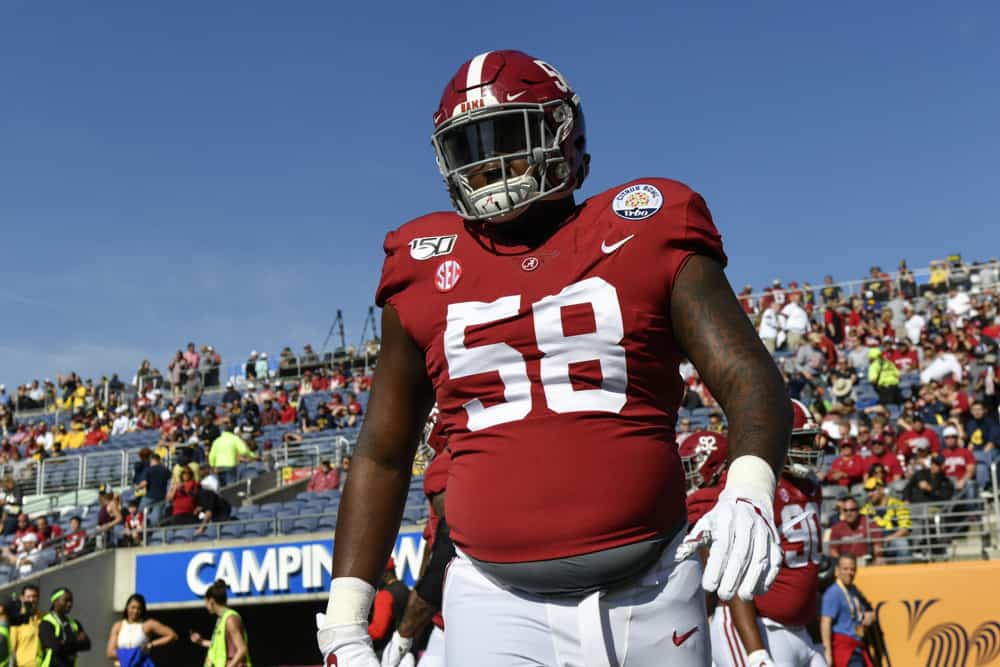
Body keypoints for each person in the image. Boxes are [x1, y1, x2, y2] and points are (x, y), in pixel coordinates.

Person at [318, 50, 791, 667]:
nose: (488, 164)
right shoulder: (421, 263)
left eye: (506, 137)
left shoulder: (646, 222)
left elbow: (746, 373)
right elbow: (383, 452)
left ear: (563, 136)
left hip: (654, 584)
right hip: (494, 601)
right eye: (470, 147)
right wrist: (346, 622)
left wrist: (751, 486)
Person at [691, 401, 827, 666]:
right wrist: (756, 653)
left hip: (800, 632)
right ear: (775, 441)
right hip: (759, 628)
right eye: (801, 441)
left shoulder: (811, 487)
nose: (810, 449)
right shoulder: (754, 489)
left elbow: (807, 576)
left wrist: (816, 638)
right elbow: (736, 577)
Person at [821, 555, 875, 666]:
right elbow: (825, 622)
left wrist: (870, 616)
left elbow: (866, 610)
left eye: (853, 569)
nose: (850, 573)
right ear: (837, 570)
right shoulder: (833, 592)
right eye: (845, 569)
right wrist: (827, 653)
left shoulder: (853, 589)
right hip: (844, 649)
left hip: (857, 646)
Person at [106, 593, 177, 667]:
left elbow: (172, 635)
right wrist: (136, 653)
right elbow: (110, 653)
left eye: (139, 608)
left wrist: (151, 644)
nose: (135, 611)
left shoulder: (147, 624)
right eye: (133, 607)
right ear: (127, 607)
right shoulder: (118, 626)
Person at [189, 580, 249, 667]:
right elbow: (218, 646)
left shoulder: (230, 619)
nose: (205, 606)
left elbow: (242, 649)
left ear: (212, 601)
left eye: (206, 602)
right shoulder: (221, 620)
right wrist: (201, 641)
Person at [860, 478, 911, 563]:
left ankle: (903, 574)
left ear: (881, 489)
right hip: (873, 543)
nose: (869, 494)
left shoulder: (897, 504)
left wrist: (885, 540)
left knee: (902, 544)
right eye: (868, 491)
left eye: (872, 490)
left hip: (892, 539)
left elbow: (905, 529)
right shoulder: (865, 509)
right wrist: (877, 543)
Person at [37, 587, 91, 667]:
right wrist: (76, 641)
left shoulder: (74, 624)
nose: (69, 604)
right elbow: (56, 647)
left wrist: (64, 642)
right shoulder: (46, 623)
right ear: (55, 601)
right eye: (66, 600)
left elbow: (87, 645)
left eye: (71, 601)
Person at [367, 559, 411, 657]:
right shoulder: (405, 589)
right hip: (406, 649)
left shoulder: (384, 595)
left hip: (387, 652)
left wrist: (359, 631)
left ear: (384, 574)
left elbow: (377, 631)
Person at [827, 496, 883, 562]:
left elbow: (878, 544)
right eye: (845, 510)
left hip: (866, 561)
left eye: (852, 510)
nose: (849, 513)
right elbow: (833, 550)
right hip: (845, 563)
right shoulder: (836, 528)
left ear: (858, 510)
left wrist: (877, 558)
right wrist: (841, 563)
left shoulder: (869, 523)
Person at [208, 421, 256, 487]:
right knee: (231, 486)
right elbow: (244, 451)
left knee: (222, 487)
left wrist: (213, 465)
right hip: (230, 465)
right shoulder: (234, 438)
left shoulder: (216, 441)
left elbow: (212, 455)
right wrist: (253, 455)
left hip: (219, 466)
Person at [134, 454, 171, 527]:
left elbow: (144, 483)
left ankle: (139, 528)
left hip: (150, 496)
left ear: (151, 460)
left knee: (140, 513)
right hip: (161, 497)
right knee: (156, 518)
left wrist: (137, 487)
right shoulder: (165, 470)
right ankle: (151, 531)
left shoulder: (148, 470)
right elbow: (171, 481)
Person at [10, 583, 42, 666]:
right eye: (28, 597)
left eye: (34, 596)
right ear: (22, 599)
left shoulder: (45, 617)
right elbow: (10, 649)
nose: (31, 600)